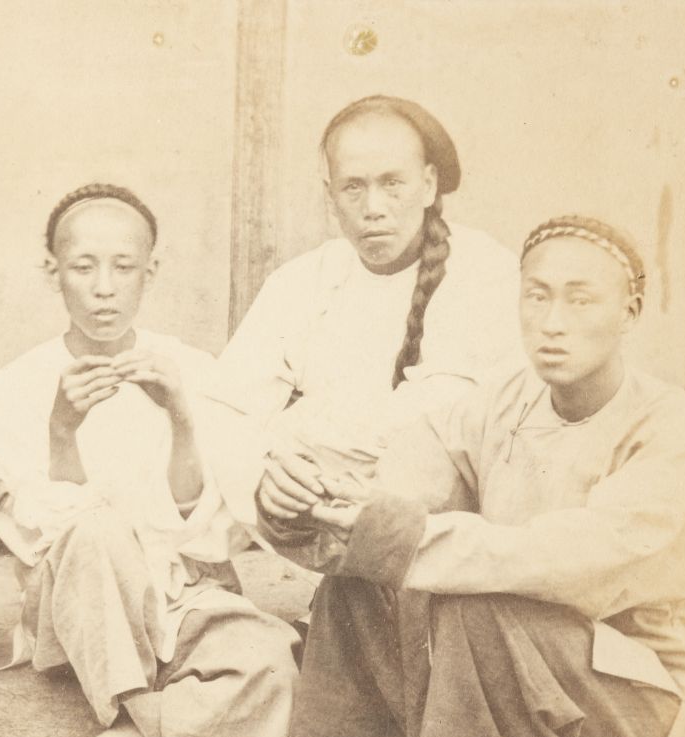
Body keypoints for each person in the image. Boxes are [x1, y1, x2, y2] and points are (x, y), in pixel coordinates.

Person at [262, 216, 685, 737]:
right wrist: (310, 499)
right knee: (368, 572)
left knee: (472, 594)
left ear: (628, 311)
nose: (552, 322)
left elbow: (576, 561)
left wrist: (402, 534)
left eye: (580, 299)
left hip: (638, 712)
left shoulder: (674, 435)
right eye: (535, 296)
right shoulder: (505, 399)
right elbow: (407, 478)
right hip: (533, 677)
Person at [0, 183, 299, 737]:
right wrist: (61, 430)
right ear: (53, 273)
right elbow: (44, 533)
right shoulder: (14, 384)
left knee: (272, 663)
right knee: (95, 530)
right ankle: (152, 731)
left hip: (181, 588)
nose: (104, 288)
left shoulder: (194, 370)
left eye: (124, 268)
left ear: (150, 273)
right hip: (77, 599)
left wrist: (182, 417)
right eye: (82, 267)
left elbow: (198, 528)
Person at [203, 95, 522, 533]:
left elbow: (432, 426)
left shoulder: (484, 271)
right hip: (321, 526)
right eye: (353, 186)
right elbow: (223, 412)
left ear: (428, 185)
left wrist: (291, 431)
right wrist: (261, 472)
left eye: (393, 183)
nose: (373, 207)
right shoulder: (301, 282)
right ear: (329, 195)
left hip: (446, 535)